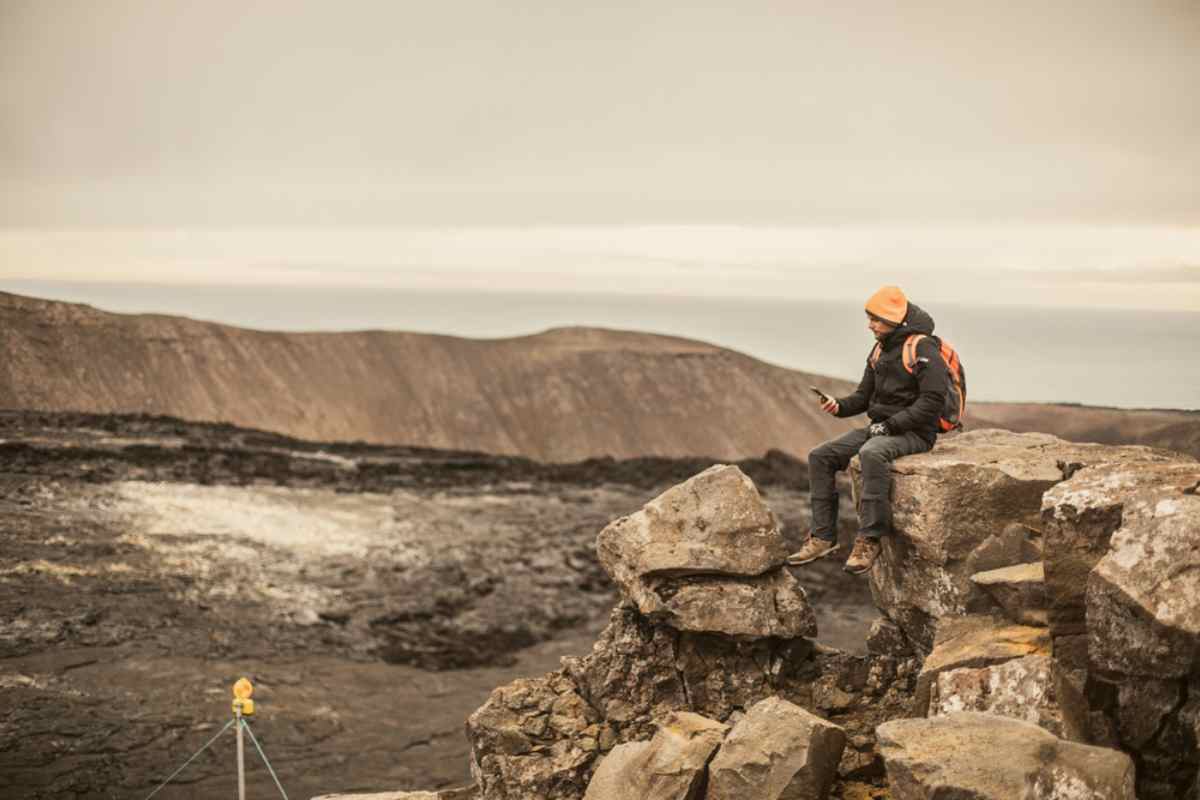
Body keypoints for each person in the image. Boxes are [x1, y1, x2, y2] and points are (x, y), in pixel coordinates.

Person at [788, 285, 948, 574]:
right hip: (882, 428)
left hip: (915, 432)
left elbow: (933, 401)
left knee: (871, 453)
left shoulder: (922, 347)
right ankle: (823, 537)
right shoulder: (880, 349)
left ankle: (870, 538)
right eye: (869, 318)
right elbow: (863, 398)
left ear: (894, 319)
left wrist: (890, 425)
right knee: (820, 456)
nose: (870, 325)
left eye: (875, 319)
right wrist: (838, 406)